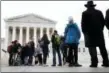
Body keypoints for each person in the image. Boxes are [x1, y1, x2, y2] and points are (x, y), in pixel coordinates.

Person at [81, 1, 109, 67]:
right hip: (99, 33)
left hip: (89, 34)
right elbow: (103, 22)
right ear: (93, 6)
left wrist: (85, 32)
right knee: (102, 48)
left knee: (92, 49)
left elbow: (83, 24)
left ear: (87, 6)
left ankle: (94, 63)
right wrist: (100, 29)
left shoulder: (85, 13)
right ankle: (106, 62)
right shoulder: (99, 12)